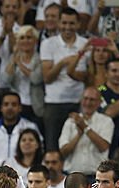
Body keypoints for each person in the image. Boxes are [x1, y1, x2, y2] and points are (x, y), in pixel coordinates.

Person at [40, 7, 87, 151]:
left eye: (72, 23)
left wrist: (72, 69)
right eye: (64, 23)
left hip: (79, 102)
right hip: (54, 103)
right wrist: (63, 63)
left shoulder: (85, 44)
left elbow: (88, 77)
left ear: (78, 24)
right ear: (59, 23)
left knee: (78, 146)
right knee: (52, 147)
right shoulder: (48, 44)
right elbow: (47, 78)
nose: (67, 27)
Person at [59, 86, 114, 175]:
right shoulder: (70, 122)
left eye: (92, 100)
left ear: (99, 102)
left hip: (97, 176)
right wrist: (78, 135)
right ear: (81, 100)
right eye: (85, 99)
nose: (88, 103)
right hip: (72, 175)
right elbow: (63, 152)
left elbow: (103, 146)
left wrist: (85, 128)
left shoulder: (106, 121)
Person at [0, 92, 41, 164]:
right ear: (1, 108)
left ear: (20, 108)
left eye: (14, 104)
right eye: (6, 104)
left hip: (23, 172)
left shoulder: (30, 127)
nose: (10, 108)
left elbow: (38, 151)